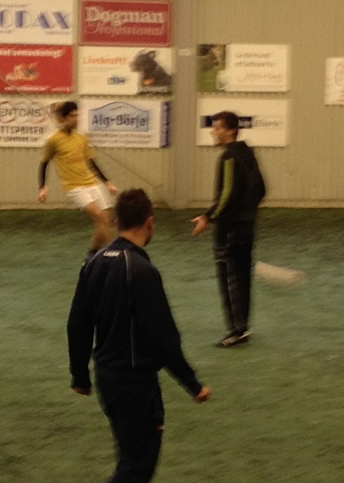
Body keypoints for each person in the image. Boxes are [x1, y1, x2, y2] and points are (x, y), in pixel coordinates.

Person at [67, 189, 211, 482]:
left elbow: (78, 324)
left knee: (130, 461)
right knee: (136, 469)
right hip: (134, 385)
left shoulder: (93, 263)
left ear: (117, 222)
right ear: (150, 223)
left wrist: (80, 375)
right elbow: (164, 338)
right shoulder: (142, 270)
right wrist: (192, 384)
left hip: (107, 378)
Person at [191, 111, 266, 347]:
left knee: (230, 279)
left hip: (229, 231)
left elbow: (226, 195)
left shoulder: (228, 157)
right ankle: (243, 327)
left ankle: (236, 330)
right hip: (247, 228)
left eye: (218, 128)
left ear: (231, 130)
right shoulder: (249, 154)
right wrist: (248, 212)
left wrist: (208, 217)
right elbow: (262, 189)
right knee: (243, 278)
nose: (213, 133)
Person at [38, 101, 118, 257]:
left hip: (91, 183)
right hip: (74, 187)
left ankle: (92, 253)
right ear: (63, 118)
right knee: (99, 216)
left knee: (105, 220)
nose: (76, 119)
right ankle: (114, 252)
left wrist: (107, 182)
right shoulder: (53, 141)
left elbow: (91, 162)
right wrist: (42, 187)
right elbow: (44, 163)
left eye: (77, 115)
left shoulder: (81, 138)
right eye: (72, 116)